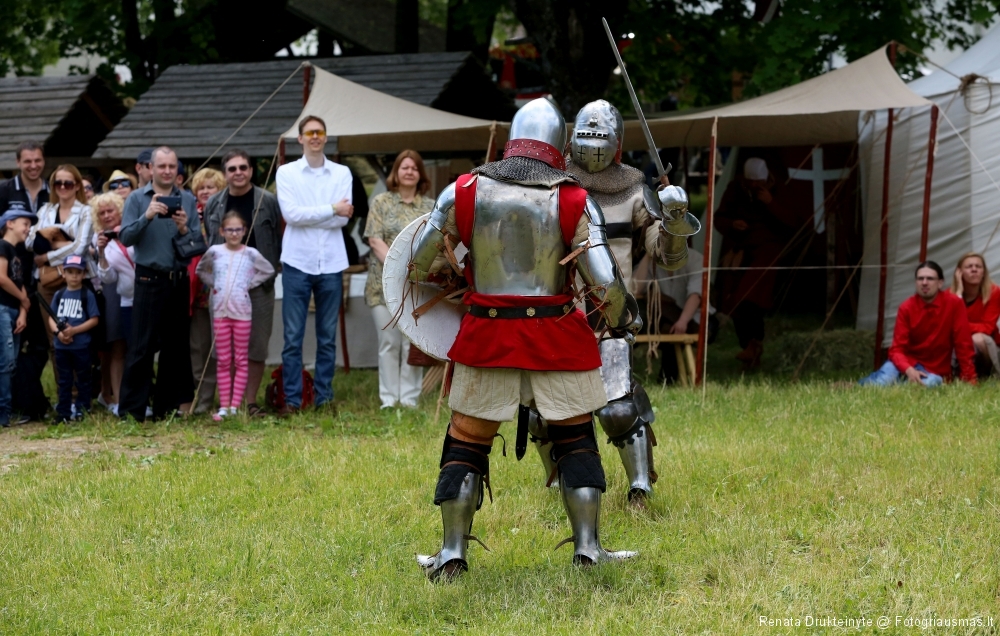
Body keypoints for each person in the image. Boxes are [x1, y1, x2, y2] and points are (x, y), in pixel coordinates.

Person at [408, 98, 637, 579]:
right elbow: (604, 283)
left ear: (512, 138)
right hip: (556, 337)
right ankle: (588, 548)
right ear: (559, 145)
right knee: (575, 440)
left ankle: (451, 552)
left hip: (487, 335)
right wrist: (623, 318)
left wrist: (457, 274)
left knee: (466, 442)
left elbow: (419, 262)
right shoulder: (575, 199)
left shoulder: (462, 190)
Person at [535, 99, 698, 508]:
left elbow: (667, 255)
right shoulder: (553, 184)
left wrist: (675, 219)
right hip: (555, 314)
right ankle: (558, 481)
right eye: (585, 135)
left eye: (600, 136)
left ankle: (640, 486)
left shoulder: (634, 191)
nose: (592, 145)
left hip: (609, 314)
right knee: (540, 410)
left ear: (617, 143)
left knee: (617, 409)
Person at [275, 116, 353, 415]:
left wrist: (319, 214)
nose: (315, 137)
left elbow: (343, 220)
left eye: (320, 132)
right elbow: (291, 215)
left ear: (326, 136)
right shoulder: (287, 172)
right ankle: (292, 400)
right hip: (297, 262)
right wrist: (332, 208)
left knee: (327, 336)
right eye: (310, 133)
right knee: (292, 337)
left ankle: (324, 398)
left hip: (331, 262)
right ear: (300, 138)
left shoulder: (341, 172)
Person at [118, 146, 201, 421]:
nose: (167, 171)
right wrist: (148, 215)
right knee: (141, 346)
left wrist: (184, 228)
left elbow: (197, 244)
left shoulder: (186, 199)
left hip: (178, 280)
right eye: (161, 166)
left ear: (177, 170)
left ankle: (165, 408)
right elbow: (125, 237)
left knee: (175, 347)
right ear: (150, 168)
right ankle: (132, 412)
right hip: (148, 278)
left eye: (171, 166)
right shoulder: (136, 198)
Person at [205, 149, 282, 415]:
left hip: (259, 286)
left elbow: (277, 237)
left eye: (243, 167)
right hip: (224, 288)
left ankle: (250, 402)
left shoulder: (268, 200)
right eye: (232, 168)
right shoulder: (214, 203)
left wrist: (269, 271)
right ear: (225, 173)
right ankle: (230, 403)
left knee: (256, 346)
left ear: (250, 171)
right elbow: (210, 241)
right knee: (225, 348)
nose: (238, 172)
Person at [365, 150, 433, 409]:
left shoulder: (430, 207)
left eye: (414, 168)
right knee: (389, 343)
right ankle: (388, 399)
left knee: (411, 344)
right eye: (404, 167)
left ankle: (409, 399)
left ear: (420, 174)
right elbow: (375, 240)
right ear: (396, 172)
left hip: (417, 287)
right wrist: (399, 268)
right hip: (382, 285)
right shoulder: (381, 202)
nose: (409, 172)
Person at [714, 157, 794, 370]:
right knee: (734, 301)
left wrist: (771, 203)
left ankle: (754, 344)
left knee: (750, 297)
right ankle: (749, 347)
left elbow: (793, 221)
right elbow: (719, 218)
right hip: (741, 251)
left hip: (768, 252)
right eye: (750, 183)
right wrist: (732, 224)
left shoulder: (779, 189)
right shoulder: (735, 189)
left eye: (758, 182)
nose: (754, 186)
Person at [196, 212, 275, 421]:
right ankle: (224, 405)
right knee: (223, 360)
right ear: (222, 231)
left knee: (240, 360)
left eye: (238, 230)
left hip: (242, 314)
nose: (233, 234)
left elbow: (268, 270)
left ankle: (235, 405)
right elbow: (200, 270)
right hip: (220, 312)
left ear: (244, 231)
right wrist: (215, 284)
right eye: (229, 230)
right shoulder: (215, 252)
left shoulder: (250, 253)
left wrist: (248, 285)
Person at [859, 261, 976, 387]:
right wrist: (908, 370)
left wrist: (970, 379)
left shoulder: (954, 304)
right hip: (906, 364)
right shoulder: (906, 307)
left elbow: (963, 344)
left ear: (940, 283)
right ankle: (857, 385)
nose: (924, 283)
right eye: (920, 279)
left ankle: (896, 385)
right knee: (882, 382)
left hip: (933, 370)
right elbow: (896, 349)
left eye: (930, 278)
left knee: (929, 383)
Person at [26, 164, 93, 382]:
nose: (63, 187)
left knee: (78, 340)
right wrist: (60, 242)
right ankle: (65, 394)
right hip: (47, 281)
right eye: (58, 183)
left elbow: (80, 248)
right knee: (56, 340)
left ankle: (82, 393)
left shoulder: (86, 211)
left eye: (68, 183)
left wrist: (48, 254)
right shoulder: (45, 210)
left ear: (77, 186)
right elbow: (29, 242)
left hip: (76, 281)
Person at [0, 142, 51, 422]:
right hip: (9, 281)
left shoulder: (52, 190)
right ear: (18, 162)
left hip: (41, 278)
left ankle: (30, 399)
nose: (33, 166)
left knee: (41, 345)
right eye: (28, 161)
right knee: (10, 351)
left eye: (38, 160)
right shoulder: (5, 190)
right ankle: (20, 403)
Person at [637, 247, 719, 383]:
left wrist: (683, 321)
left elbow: (696, 295)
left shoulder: (695, 259)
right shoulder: (653, 260)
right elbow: (636, 290)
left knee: (671, 328)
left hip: (700, 319)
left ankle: (668, 379)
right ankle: (667, 380)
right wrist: (647, 256)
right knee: (666, 326)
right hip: (669, 316)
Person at [187, 167, 225, 414]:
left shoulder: (227, 217)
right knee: (200, 347)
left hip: (224, 291)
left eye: (210, 187)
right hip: (197, 291)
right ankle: (203, 399)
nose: (205, 191)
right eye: (201, 188)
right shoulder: (191, 217)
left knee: (222, 348)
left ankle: (230, 399)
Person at [92, 193, 132, 415]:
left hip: (141, 293)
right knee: (117, 346)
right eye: (102, 213)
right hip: (114, 295)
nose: (107, 215)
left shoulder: (133, 231)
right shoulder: (98, 239)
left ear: (120, 211)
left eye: (111, 210)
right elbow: (107, 277)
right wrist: (100, 251)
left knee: (138, 348)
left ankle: (138, 397)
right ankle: (117, 400)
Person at [47, 255, 100, 423]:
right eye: (70, 272)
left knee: (83, 379)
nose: (74, 276)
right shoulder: (59, 294)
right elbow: (51, 318)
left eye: (78, 272)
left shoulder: (87, 295)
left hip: (81, 346)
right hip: (62, 347)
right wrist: (59, 333)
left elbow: (94, 319)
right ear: (63, 273)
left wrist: (74, 331)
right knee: (64, 380)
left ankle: (82, 409)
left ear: (84, 274)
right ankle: (63, 411)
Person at [0, 209, 36, 427]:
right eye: (25, 224)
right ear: (10, 223)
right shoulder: (2, 246)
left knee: (11, 362)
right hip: (3, 309)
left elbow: (19, 282)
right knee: (5, 362)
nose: (28, 229)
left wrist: (23, 311)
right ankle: (3, 413)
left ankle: (8, 409)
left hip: (13, 311)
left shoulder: (15, 252)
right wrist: (23, 299)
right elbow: (2, 278)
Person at [950, 252, 1000, 377]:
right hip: (956, 343)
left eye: (978, 266)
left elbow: (987, 327)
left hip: (987, 345)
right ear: (959, 273)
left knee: (977, 338)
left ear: (984, 272)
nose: (974, 270)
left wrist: (959, 326)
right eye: (969, 267)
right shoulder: (949, 296)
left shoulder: (994, 292)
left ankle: (993, 375)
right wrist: (958, 296)